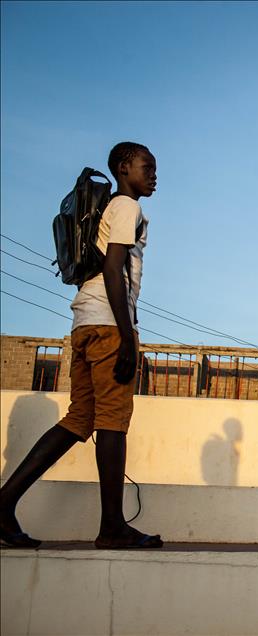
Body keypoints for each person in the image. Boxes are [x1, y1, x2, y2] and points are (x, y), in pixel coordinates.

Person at [0, 142, 162, 549]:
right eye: (148, 166)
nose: (154, 175)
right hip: (109, 325)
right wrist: (127, 336)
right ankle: (112, 528)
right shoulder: (126, 207)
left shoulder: (110, 208)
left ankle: (2, 504)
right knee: (112, 421)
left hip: (84, 323)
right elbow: (113, 269)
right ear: (124, 168)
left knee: (79, 419)